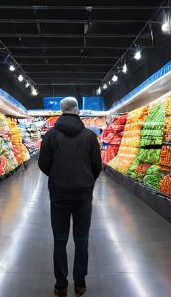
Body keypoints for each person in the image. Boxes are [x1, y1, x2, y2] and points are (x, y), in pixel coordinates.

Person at [38, 97, 102, 296]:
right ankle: (80, 283)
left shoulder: (50, 136)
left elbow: (43, 163)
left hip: (58, 195)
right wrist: (87, 179)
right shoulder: (89, 136)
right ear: (76, 110)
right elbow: (97, 166)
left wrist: (57, 176)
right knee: (82, 238)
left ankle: (61, 285)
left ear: (61, 110)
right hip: (83, 195)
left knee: (59, 239)